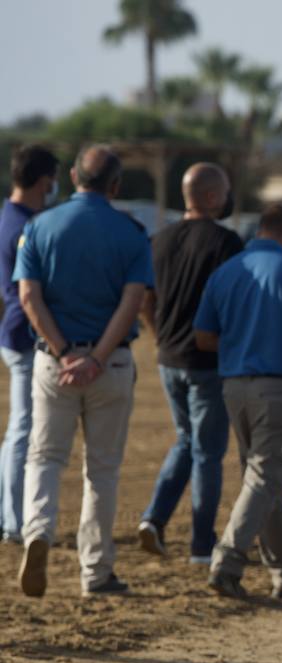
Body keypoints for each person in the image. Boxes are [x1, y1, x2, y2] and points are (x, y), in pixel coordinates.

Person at [13, 144, 153, 597]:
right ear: (115, 185)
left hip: (54, 364)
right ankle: (95, 571)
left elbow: (29, 298)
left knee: (45, 457)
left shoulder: (39, 226)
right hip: (109, 365)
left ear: (73, 176)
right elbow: (133, 301)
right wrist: (94, 357)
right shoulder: (132, 233)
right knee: (103, 470)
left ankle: (37, 533)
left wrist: (64, 351)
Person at [193, 205, 282, 600]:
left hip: (235, 387)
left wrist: (242, 342)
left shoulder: (225, 272)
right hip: (281, 388)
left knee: (262, 479)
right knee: (263, 478)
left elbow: (203, 336)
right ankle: (228, 560)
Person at [136, 163, 243, 564]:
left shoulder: (158, 239)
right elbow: (233, 302)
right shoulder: (226, 243)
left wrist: (158, 334)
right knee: (208, 453)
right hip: (208, 360)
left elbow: (145, 300)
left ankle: (154, 519)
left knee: (185, 440)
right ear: (213, 197)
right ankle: (201, 543)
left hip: (169, 358)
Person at [0, 144, 59, 545]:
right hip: (24, 332)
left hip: (13, 330)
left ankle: (9, 514)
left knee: (16, 429)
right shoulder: (27, 225)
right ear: (44, 180)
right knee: (23, 429)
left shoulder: (8, 215)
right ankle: (14, 520)